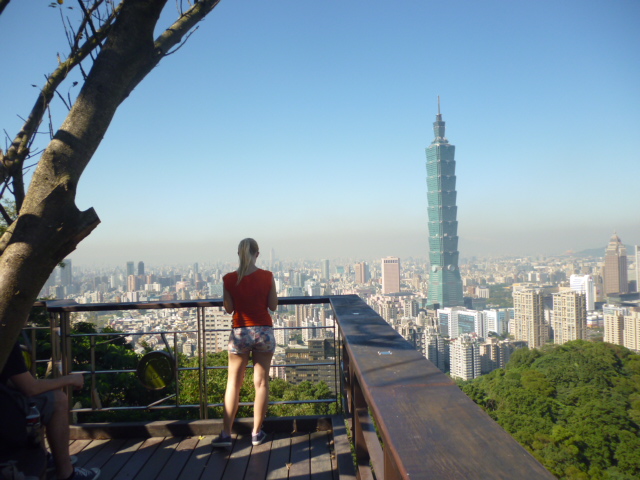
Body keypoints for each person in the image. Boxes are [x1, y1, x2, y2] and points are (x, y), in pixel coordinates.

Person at [211, 238, 278, 448]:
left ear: (238, 255)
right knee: (261, 383)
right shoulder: (267, 276)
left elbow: (229, 309)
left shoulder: (229, 279)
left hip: (240, 332)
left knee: (233, 383)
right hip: (264, 331)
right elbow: (273, 306)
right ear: (257, 254)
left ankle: (225, 434)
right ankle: (257, 433)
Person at [0, 341, 101, 480]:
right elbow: (30, 388)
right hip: (5, 409)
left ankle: (45, 457)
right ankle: (67, 473)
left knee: (42, 399)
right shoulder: (6, 339)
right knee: (57, 400)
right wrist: (71, 379)